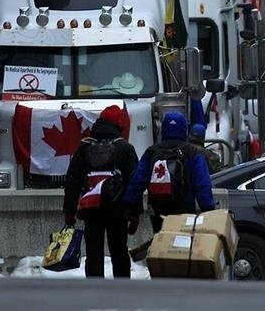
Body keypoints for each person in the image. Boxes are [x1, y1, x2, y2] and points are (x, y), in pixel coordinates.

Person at [63, 105, 138, 279]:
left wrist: (69, 211)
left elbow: (73, 180)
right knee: (119, 251)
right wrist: (135, 214)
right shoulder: (125, 147)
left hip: (91, 208)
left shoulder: (84, 147)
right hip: (117, 209)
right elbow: (134, 182)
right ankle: (122, 290)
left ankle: (95, 291)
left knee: (93, 253)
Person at [123, 112, 215, 233]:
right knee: (182, 241)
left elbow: (137, 180)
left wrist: (129, 206)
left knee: (160, 238)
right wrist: (208, 208)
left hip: (157, 207)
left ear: (164, 128)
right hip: (184, 207)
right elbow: (202, 183)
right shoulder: (192, 152)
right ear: (184, 129)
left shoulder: (152, 151)